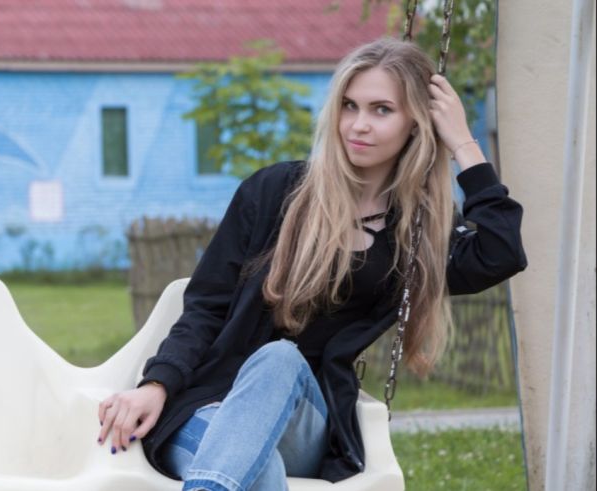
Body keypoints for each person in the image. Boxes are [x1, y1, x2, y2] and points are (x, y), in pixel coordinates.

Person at [96, 37, 527, 490]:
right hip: (206, 407)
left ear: (417, 124)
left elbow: (500, 254)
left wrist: (461, 142)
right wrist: (157, 385)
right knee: (257, 472)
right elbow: (206, 306)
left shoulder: (414, 235)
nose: (358, 125)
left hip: (305, 422)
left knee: (280, 358)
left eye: (382, 110)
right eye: (349, 106)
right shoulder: (274, 192)